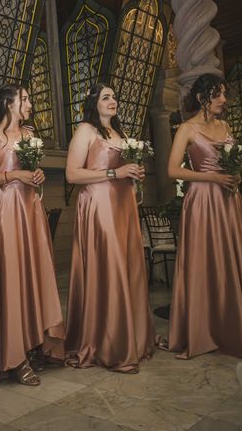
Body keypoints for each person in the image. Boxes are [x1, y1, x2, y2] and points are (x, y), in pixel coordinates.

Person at [164, 73, 242, 359]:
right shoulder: (186, 128)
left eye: (224, 94)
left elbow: (232, 165)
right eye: (218, 94)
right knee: (205, 262)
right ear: (201, 97)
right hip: (203, 203)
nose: (223, 100)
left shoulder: (226, 125)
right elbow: (172, 170)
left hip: (229, 202)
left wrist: (236, 175)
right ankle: (202, 331)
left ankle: (233, 329)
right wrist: (210, 178)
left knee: (232, 260)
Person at [0, 84, 65, 386]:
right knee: (12, 277)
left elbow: (33, 170)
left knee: (35, 274)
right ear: (9, 103)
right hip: (7, 208)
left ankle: (37, 342)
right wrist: (13, 175)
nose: (30, 103)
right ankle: (15, 356)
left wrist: (37, 176)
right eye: (25, 99)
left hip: (30, 207)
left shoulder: (29, 135)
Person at [64, 82, 155, 373]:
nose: (113, 101)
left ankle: (134, 337)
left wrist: (135, 172)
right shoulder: (85, 130)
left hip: (123, 206)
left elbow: (124, 168)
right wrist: (115, 172)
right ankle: (107, 342)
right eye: (106, 97)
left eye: (115, 96)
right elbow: (72, 174)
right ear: (94, 103)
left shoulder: (121, 134)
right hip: (99, 206)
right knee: (109, 266)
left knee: (128, 266)